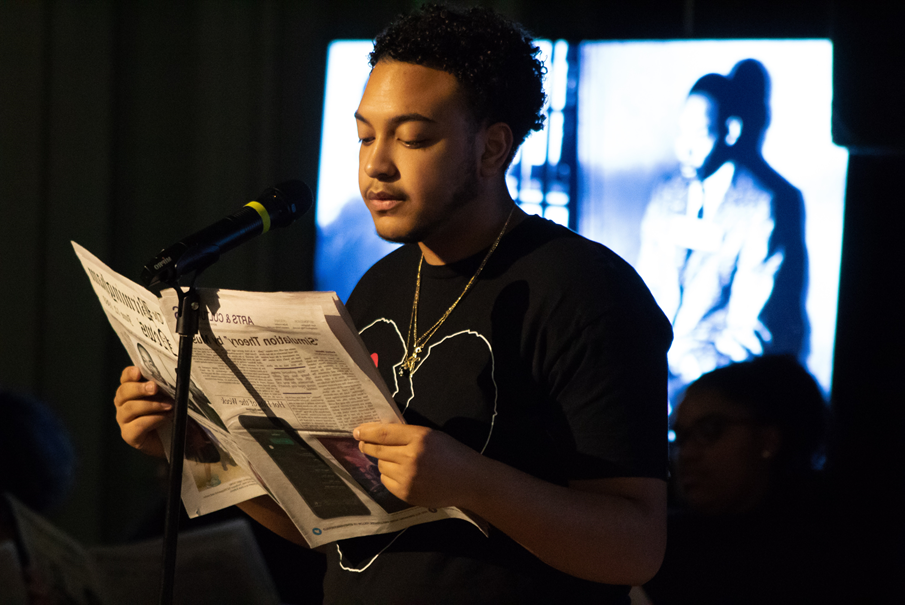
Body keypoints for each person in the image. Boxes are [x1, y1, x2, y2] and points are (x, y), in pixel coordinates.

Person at [114, 4, 672, 602]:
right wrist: (189, 447)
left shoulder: (587, 290)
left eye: (412, 138)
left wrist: (471, 482)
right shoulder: (379, 284)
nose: (376, 164)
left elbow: (635, 546)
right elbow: (326, 526)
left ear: (491, 149)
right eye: (364, 136)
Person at [636, 60, 808, 402]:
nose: (684, 147)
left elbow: (748, 331)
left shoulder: (764, 204)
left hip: (717, 389)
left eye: (699, 135)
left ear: (730, 131)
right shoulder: (664, 193)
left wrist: (682, 381)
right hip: (647, 374)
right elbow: (643, 293)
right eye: (681, 133)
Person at [642, 355, 838, 603]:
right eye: (679, 438)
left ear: (769, 439)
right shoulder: (659, 542)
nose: (686, 454)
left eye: (709, 430)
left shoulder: (827, 548)